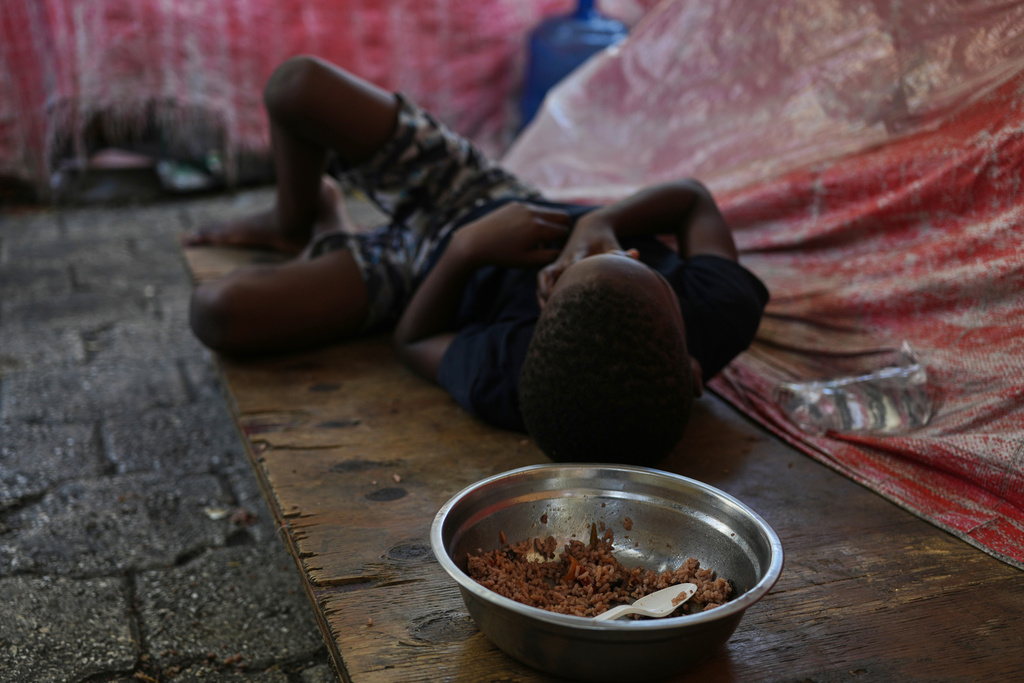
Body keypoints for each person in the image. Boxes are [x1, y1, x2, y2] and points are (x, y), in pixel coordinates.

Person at [185, 55, 768, 464]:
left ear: (540, 327)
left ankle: (330, 221)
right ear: (691, 367)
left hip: (424, 269)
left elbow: (413, 342)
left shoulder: (511, 381)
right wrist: (600, 220)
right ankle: (295, 222)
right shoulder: (719, 312)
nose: (616, 250)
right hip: (482, 194)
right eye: (628, 257)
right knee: (296, 84)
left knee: (219, 313)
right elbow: (693, 199)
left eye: (560, 275)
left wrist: (466, 251)